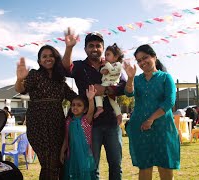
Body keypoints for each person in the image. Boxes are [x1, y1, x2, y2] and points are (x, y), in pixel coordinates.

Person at [63, 28, 125, 179]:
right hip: (89, 124)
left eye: (98, 45)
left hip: (111, 122)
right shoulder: (78, 66)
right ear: (85, 49)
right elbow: (65, 69)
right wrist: (69, 48)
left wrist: (105, 89)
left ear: (103, 49)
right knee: (92, 166)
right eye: (91, 45)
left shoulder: (112, 65)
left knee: (116, 165)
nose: (95, 48)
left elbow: (124, 86)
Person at [15, 45, 77, 179]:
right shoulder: (34, 75)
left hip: (56, 125)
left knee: (56, 163)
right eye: (44, 56)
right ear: (39, 61)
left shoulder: (60, 81)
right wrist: (20, 79)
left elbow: (75, 98)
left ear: (55, 59)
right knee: (48, 162)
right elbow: (21, 89)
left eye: (51, 56)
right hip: (38, 125)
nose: (48, 58)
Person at [124, 44, 180, 180]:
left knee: (165, 167)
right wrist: (130, 77)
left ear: (154, 57)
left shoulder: (166, 78)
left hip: (163, 128)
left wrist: (151, 119)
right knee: (144, 166)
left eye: (145, 58)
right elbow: (128, 93)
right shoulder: (137, 80)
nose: (142, 62)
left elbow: (169, 102)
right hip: (141, 128)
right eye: (139, 61)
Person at [60, 85, 96, 180]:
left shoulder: (86, 120)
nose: (75, 107)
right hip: (72, 155)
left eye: (79, 105)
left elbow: (91, 111)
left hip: (85, 155)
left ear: (85, 109)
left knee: (84, 175)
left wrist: (91, 99)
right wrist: (62, 151)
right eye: (73, 105)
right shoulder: (68, 122)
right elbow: (66, 138)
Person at [94, 43, 124, 124]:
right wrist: (103, 70)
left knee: (112, 101)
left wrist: (107, 65)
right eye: (105, 55)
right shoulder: (108, 65)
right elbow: (102, 70)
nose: (106, 57)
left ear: (116, 57)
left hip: (112, 85)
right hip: (105, 84)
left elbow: (113, 71)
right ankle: (100, 108)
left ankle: (118, 114)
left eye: (108, 55)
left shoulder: (118, 65)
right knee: (101, 96)